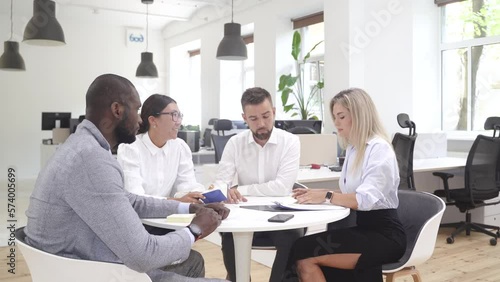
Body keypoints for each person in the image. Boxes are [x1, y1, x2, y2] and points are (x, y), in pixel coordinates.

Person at [24, 74, 230, 282]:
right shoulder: (91, 159)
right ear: (117, 110)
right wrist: (195, 229)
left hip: (77, 264)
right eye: (137, 110)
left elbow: (129, 200)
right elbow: (143, 255)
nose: (140, 119)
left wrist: (188, 208)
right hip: (95, 273)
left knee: (192, 262)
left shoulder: (80, 147)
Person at [282, 88, 406, 282]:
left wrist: (327, 196)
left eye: (341, 116)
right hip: (364, 228)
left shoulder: (379, 149)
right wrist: (319, 193)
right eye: (334, 117)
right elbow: (351, 193)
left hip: (385, 237)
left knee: (304, 254)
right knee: (300, 247)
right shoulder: (353, 148)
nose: (336, 122)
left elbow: (363, 199)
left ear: (358, 115)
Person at [213, 87, 303, 282]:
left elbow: (282, 188)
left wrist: (239, 190)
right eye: (253, 119)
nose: (261, 124)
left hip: (280, 215)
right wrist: (224, 190)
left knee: (293, 238)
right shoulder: (235, 144)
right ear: (244, 118)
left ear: (274, 112)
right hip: (245, 215)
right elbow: (222, 183)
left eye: (266, 116)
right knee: (229, 237)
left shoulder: (290, 142)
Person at [117, 94, 205, 203]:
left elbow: (187, 186)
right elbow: (136, 198)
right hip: (139, 218)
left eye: (179, 115)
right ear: (153, 120)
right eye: (174, 115)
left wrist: (200, 195)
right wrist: (177, 201)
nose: (178, 122)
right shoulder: (130, 148)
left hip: (169, 216)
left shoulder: (180, 147)